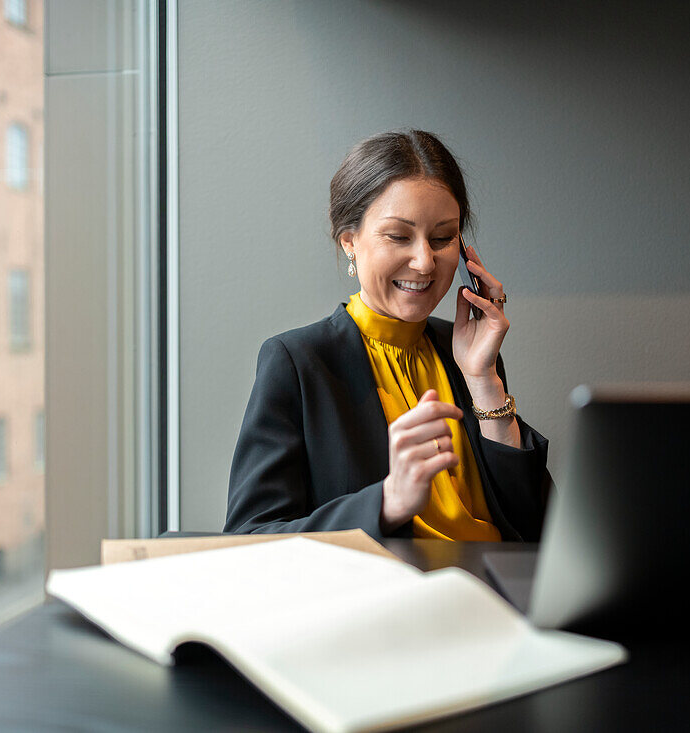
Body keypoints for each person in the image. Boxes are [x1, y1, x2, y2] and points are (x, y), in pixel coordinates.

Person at [224, 130, 550, 541]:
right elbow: (250, 538)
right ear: (349, 242)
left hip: (495, 595)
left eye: (443, 238)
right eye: (398, 236)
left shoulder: (469, 357)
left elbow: (534, 528)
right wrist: (388, 499)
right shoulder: (298, 362)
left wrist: (484, 382)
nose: (424, 262)